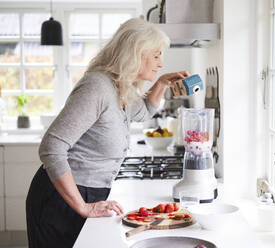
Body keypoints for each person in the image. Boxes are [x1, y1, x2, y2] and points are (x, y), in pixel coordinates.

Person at [26, 18, 189, 248]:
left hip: (89, 193)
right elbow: (51, 148)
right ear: (135, 53)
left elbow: (142, 112)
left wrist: (161, 84)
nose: (161, 63)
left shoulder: (120, 86)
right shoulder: (97, 87)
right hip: (62, 198)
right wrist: (83, 206)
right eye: (156, 55)